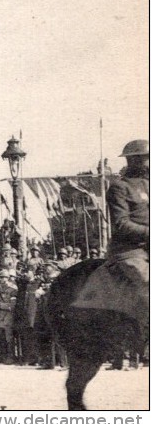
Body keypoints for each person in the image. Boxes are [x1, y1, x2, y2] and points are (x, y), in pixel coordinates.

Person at [73, 139, 149, 334]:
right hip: (131, 251)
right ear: (133, 161)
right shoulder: (119, 187)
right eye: (146, 158)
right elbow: (121, 224)